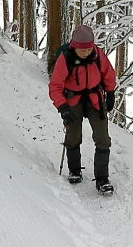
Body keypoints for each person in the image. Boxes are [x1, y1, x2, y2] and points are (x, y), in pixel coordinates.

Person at [48, 24, 118, 193]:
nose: (86, 52)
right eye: (83, 50)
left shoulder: (97, 54)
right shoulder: (66, 58)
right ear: (75, 46)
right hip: (73, 100)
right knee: (72, 135)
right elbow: (55, 86)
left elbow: (109, 74)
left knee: (103, 138)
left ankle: (102, 179)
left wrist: (110, 93)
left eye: (88, 49)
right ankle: (74, 170)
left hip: (95, 99)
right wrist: (62, 106)